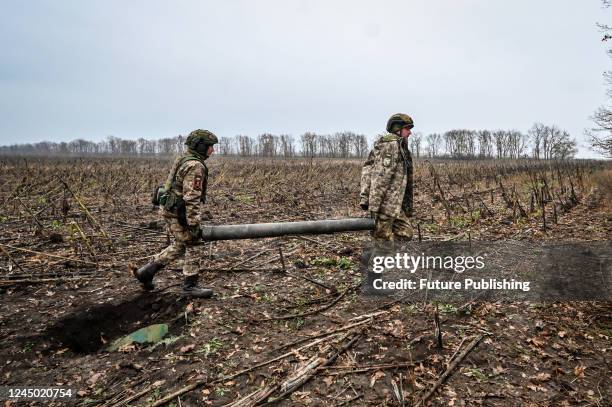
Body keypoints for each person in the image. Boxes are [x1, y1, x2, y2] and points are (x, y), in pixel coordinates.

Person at [133, 129, 218, 298]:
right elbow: (192, 197)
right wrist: (193, 223)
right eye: (210, 146)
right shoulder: (195, 166)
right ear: (200, 146)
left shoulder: (184, 158)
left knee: (180, 245)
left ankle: (146, 273)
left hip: (171, 209)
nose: (212, 150)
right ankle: (190, 286)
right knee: (194, 242)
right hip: (180, 212)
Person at [359, 113, 414, 241]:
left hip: (394, 205)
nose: (410, 132)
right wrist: (375, 207)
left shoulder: (400, 146)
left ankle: (378, 255)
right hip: (383, 205)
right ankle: (378, 258)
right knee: (383, 245)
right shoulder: (390, 145)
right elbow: (381, 177)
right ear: (397, 129)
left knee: (406, 232)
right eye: (407, 128)